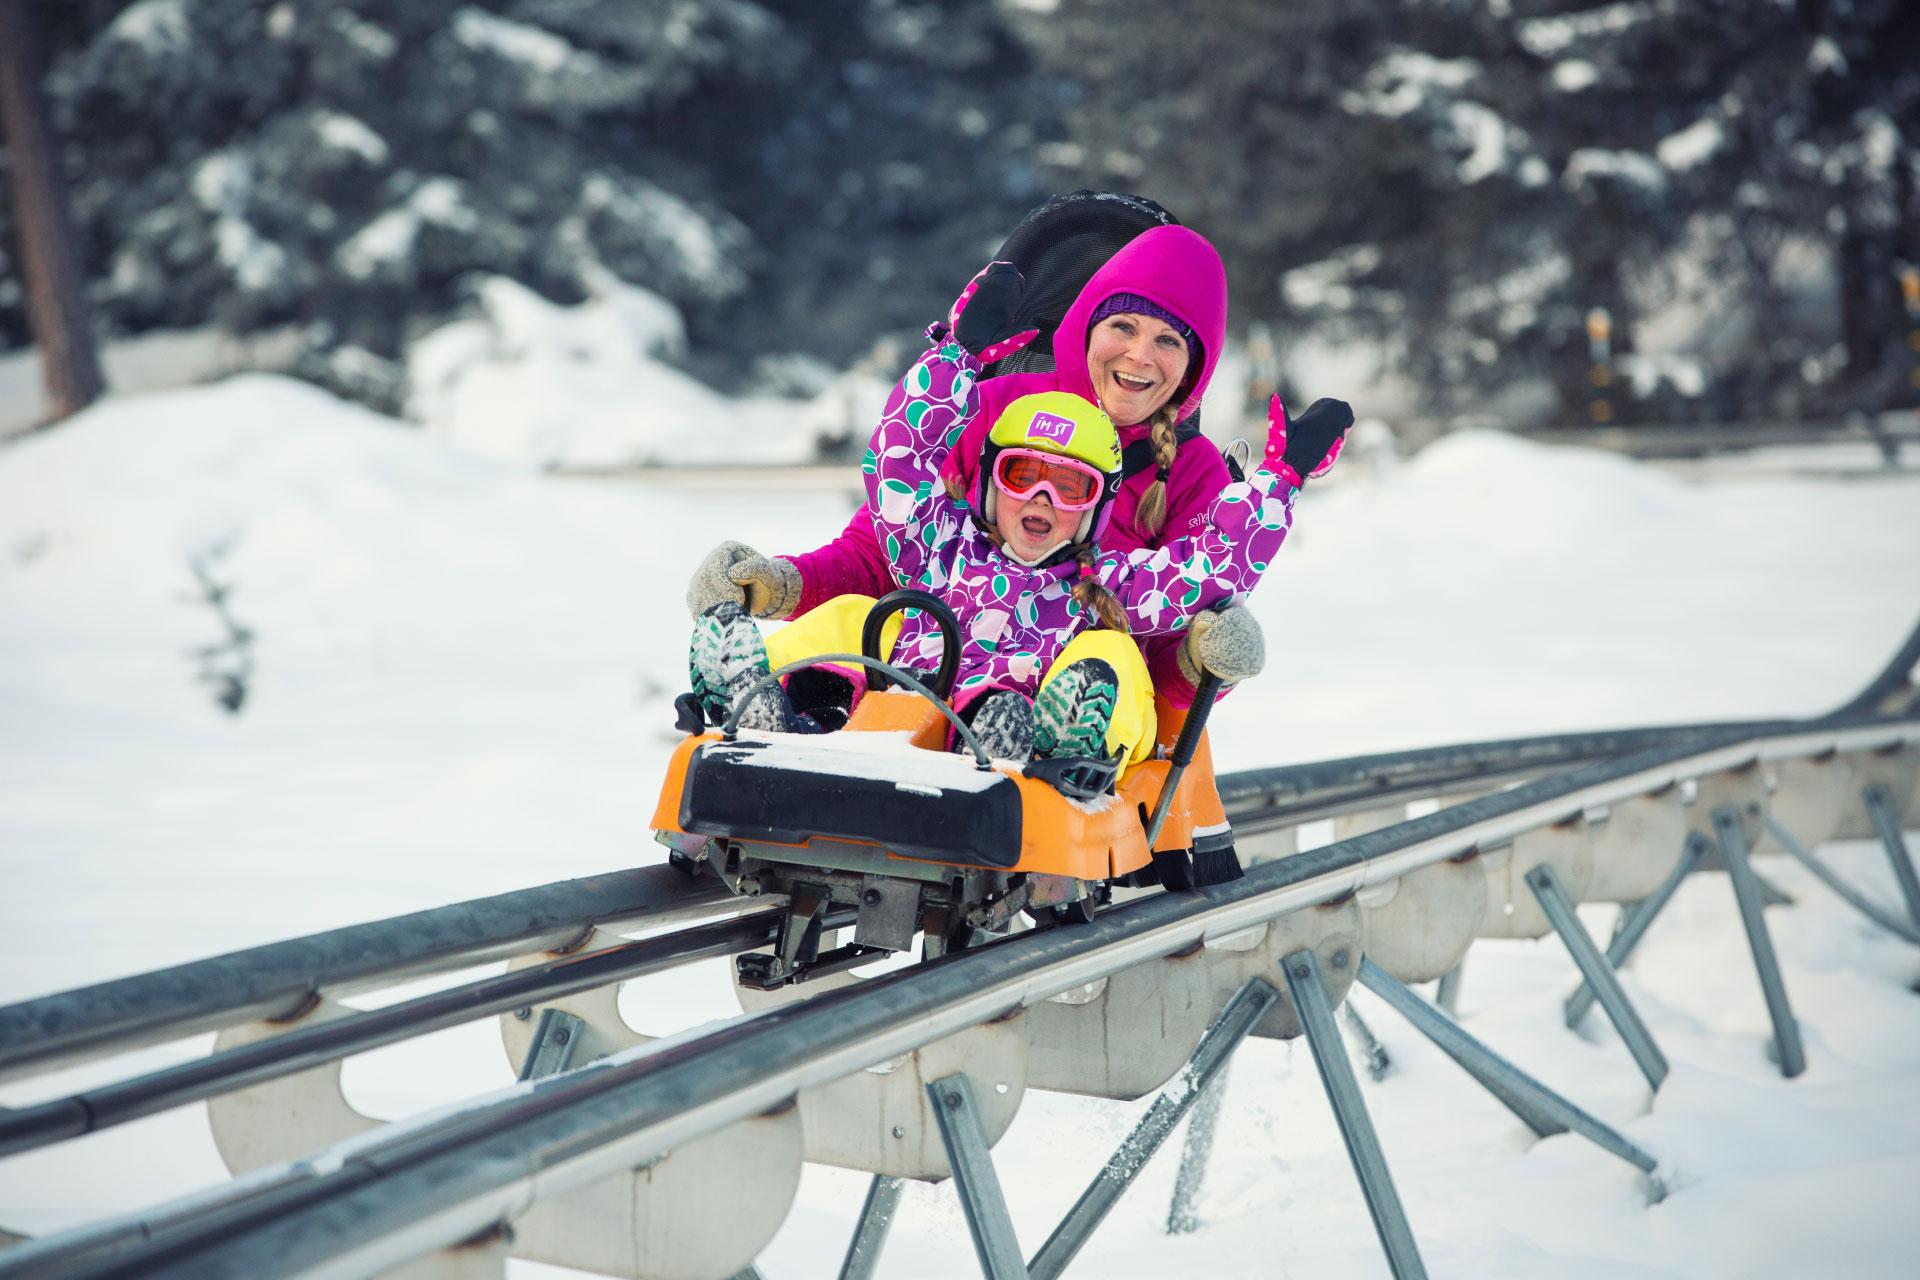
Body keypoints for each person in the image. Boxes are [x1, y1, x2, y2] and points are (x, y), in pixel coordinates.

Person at [686, 220, 1350, 709]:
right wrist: (777, 584)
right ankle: (757, 696)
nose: (1140, 357)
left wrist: (1199, 657)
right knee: (846, 624)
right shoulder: (995, 415)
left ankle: (1046, 733)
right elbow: (891, 511)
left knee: (1104, 656)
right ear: (1088, 326)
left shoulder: (1159, 514)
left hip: (1062, 702)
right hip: (912, 679)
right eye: (1123, 327)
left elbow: (1194, 583)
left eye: (1168, 340)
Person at [688, 365, 1305, 768]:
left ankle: (1066, 745)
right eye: (1023, 476)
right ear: (988, 485)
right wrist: (952, 356)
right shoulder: (940, 540)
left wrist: (1283, 477)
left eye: (1070, 487)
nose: (1042, 500)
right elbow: (896, 468)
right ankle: (769, 704)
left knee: (1110, 659)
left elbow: (1208, 570)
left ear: (1098, 507)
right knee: (856, 619)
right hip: (887, 704)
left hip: (1007, 730)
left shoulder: (1109, 583)